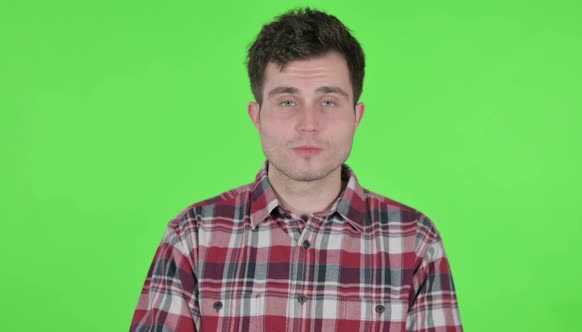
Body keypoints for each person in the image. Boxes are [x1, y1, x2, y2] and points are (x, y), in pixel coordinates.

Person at [131, 7, 462, 332]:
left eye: (328, 101)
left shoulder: (415, 241)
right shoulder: (194, 236)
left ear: (356, 117)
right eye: (287, 101)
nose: (308, 125)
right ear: (256, 116)